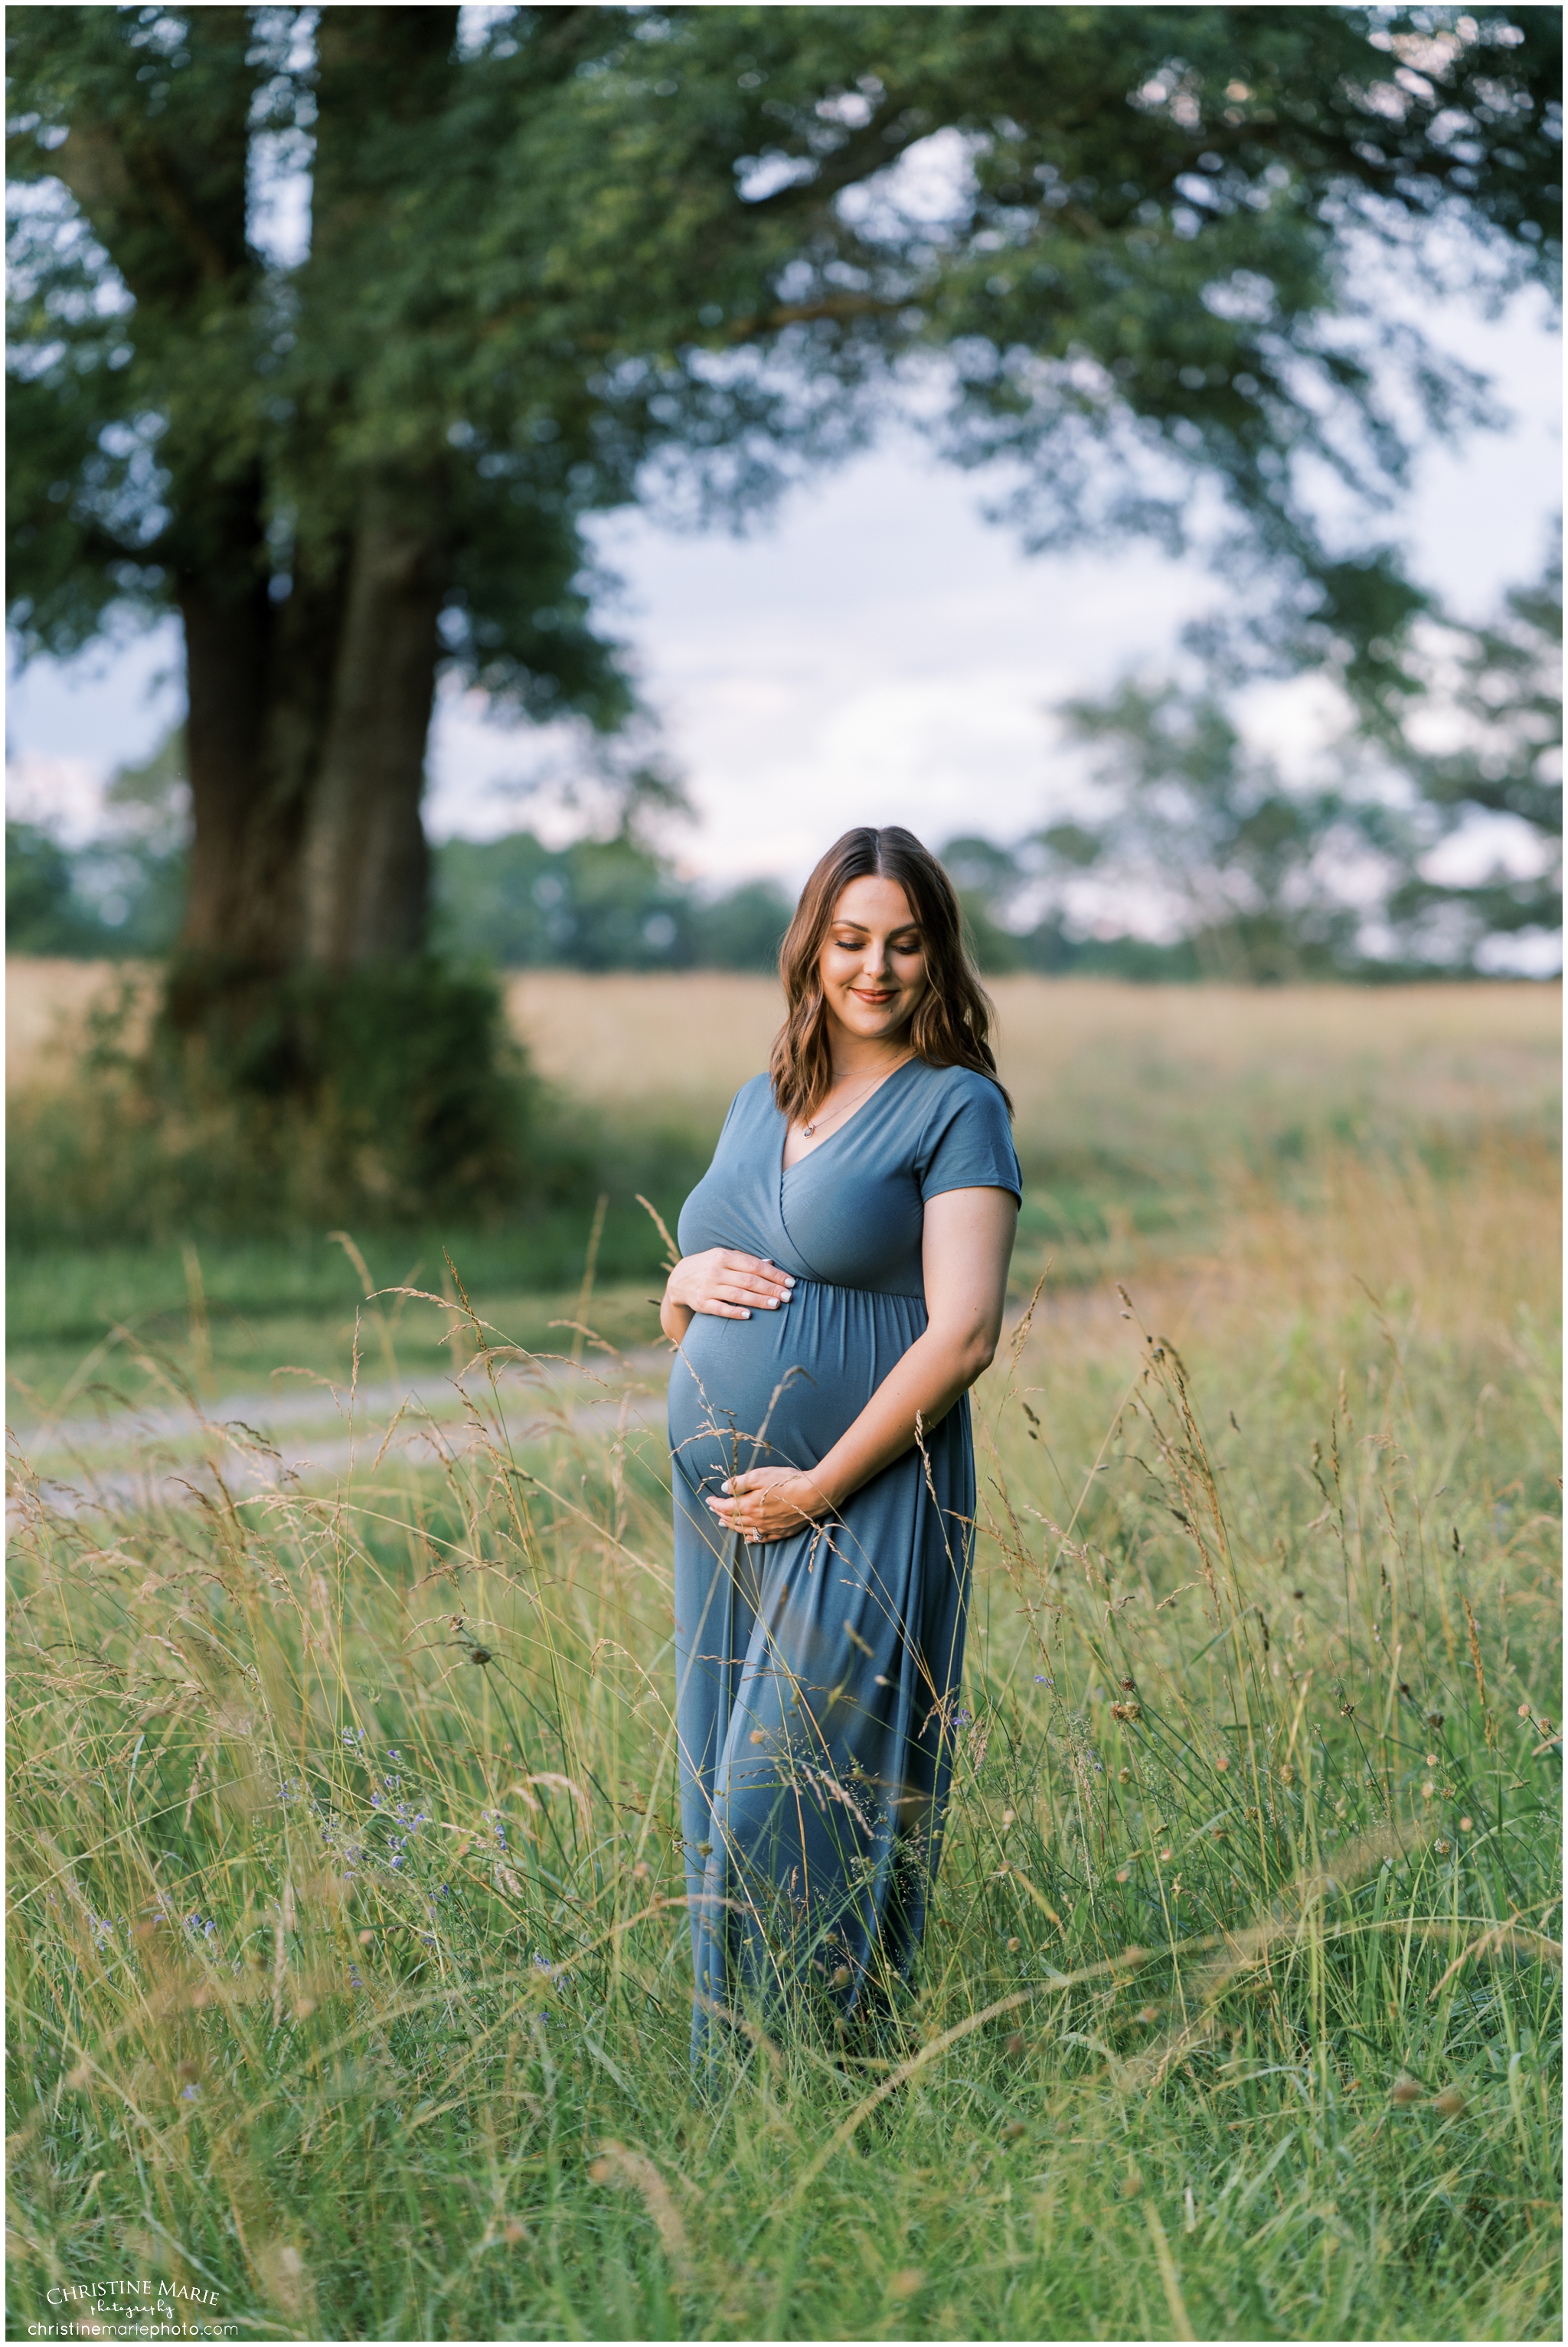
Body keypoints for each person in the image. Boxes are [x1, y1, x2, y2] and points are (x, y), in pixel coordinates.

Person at [661, 825, 1021, 2058]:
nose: (876, 968)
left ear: (938, 955)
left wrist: (819, 1481)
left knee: (796, 1796)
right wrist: (681, 1277)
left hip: (865, 1492)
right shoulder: (757, 1102)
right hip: (725, 1515)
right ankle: (745, 2099)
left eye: (905, 943)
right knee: (720, 1793)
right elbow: (692, 1302)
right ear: (812, 948)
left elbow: (965, 1331)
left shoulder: (957, 1105)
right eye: (852, 939)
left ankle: (818, 2070)